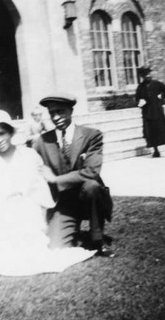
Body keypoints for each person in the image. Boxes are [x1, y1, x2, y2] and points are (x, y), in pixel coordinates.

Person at [0, 109, 95, 276]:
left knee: (34, 254)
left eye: (2, 133)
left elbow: (38, 189)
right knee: (7, 264)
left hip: (25, 211)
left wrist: (24, 200)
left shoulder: (28, 155)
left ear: (10, 132)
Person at [33, 94, 114, 257]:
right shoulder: (41, 142)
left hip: (89, 198)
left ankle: (97, 238)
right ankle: (69, 227)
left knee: (92, 185)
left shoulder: (92, 135)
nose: (56, 117)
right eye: (52, 113)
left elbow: (91, 171)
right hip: (63, 202)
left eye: (60, 112)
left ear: (71, 110)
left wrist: (56, 179)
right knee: (55, 248)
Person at [136, 66, 165, 158]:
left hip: (157, 112)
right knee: (150, 133)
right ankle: (156, 151)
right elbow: (137, 99)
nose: (148, 76)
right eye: (145, 74)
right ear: (142, 76)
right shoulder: (140, 87)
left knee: (163, 131)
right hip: (147, 113)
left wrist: (162, 95)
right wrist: (140, 103)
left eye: (149, 74)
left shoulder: (156, 84)